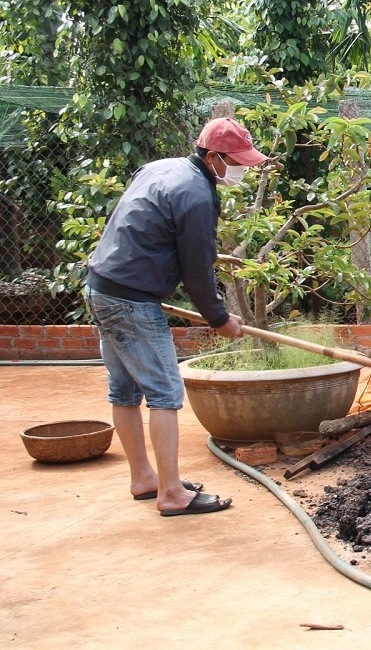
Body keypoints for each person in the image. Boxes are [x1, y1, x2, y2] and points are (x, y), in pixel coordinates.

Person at [84, 117, 267, 516]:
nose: (243, 169)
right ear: (214, 157)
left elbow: (150, 229)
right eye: (236, 161)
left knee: (125, 392)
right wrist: (220, 319)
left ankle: (144, 478)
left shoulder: (158, 168)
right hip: (132, 300)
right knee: (166, 393)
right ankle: (170, 492)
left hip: (101, 285)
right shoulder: (197, 196)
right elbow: (197, 270)